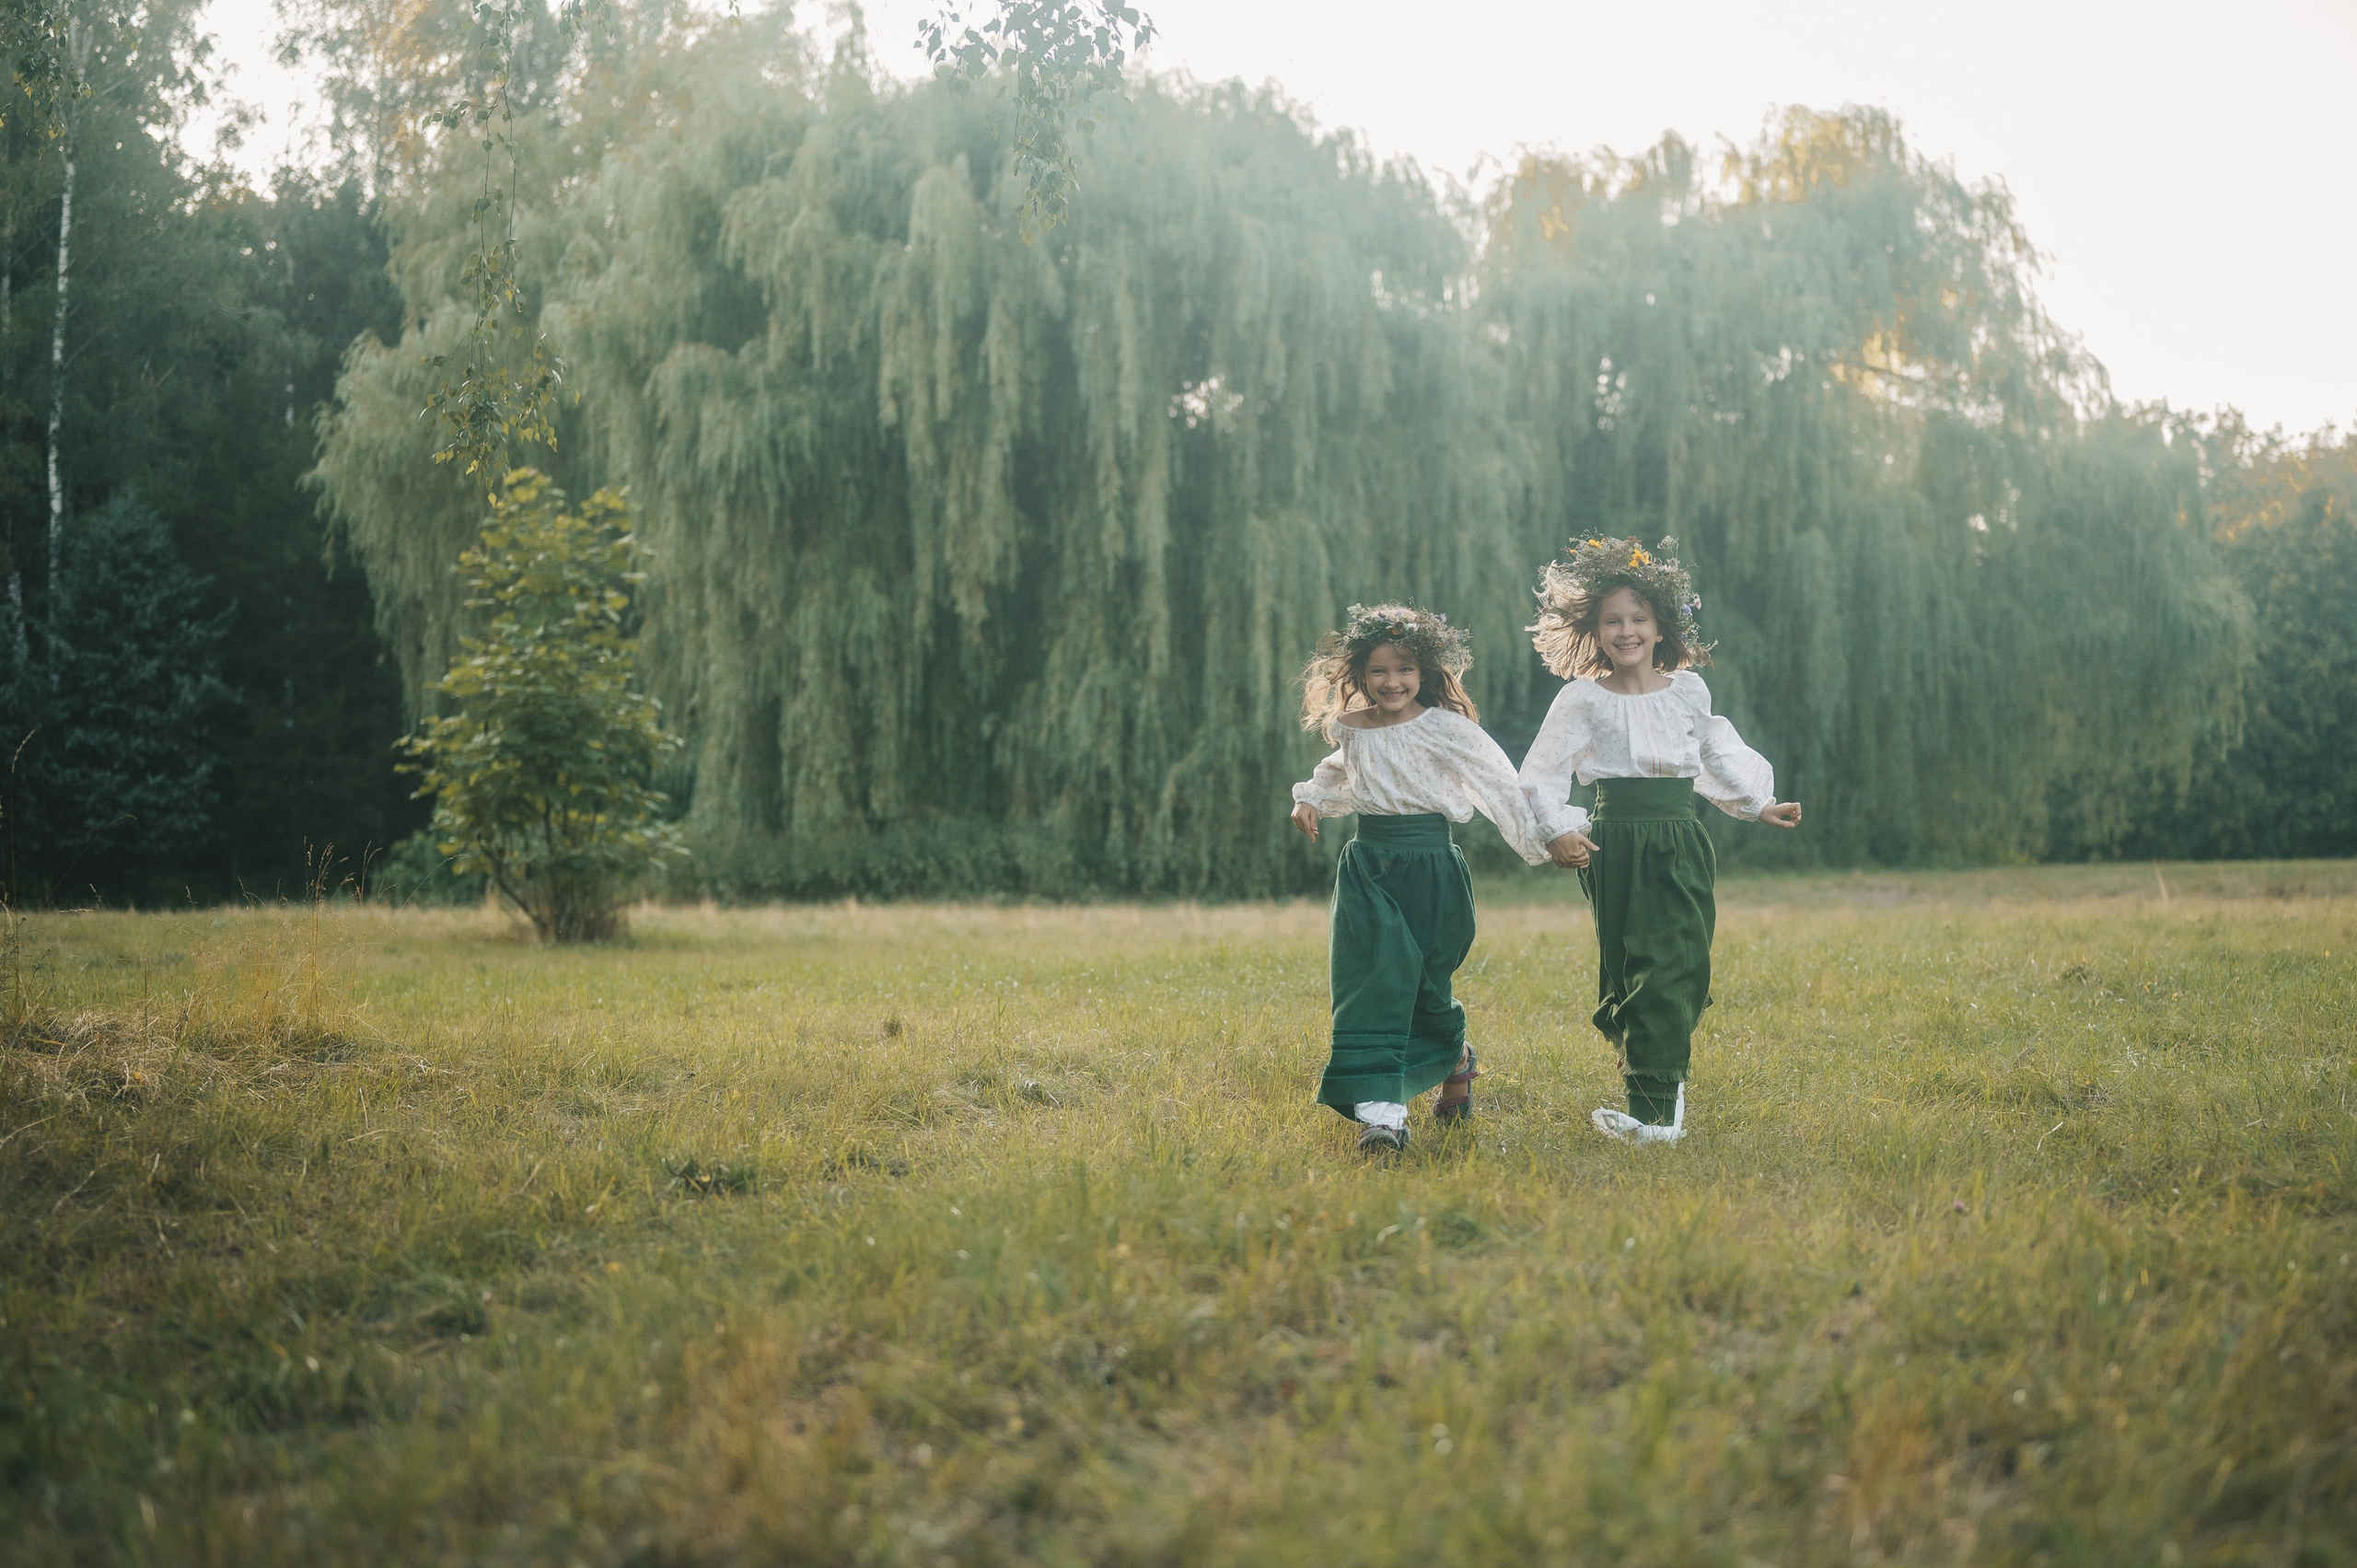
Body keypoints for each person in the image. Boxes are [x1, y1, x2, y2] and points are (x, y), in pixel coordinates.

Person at [1518, 538, 1802, 1145]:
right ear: (1594, 630)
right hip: (1613, 844)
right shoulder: (1582, 699)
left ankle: (1656, 1114)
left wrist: (1760, 801)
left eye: (1638, 619)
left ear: (1660, 626)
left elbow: (1716, 750)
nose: (1626, 631)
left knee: (1674, 965)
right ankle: (1653, 1087)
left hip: (1677, 840)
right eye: (1613, 620)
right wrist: (1557, 830)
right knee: (1628, 969)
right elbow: (1539, 771)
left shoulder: (1688, 691)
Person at [1290, 603, 1553, 1155]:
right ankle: (1383, 1118)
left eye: (1404, 669)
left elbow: (1500, 783)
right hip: (1369, 868)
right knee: (1373, 983)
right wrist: (1309, 799)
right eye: (1380, 671)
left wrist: (1545, 835)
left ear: (1425, 673)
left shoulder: (1445, 729)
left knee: (1427, 986)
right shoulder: (1353, 729)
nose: (1392, 681)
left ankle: (1455, 1056)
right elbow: (1337, 768)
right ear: (1360, 674)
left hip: (1432, 866)